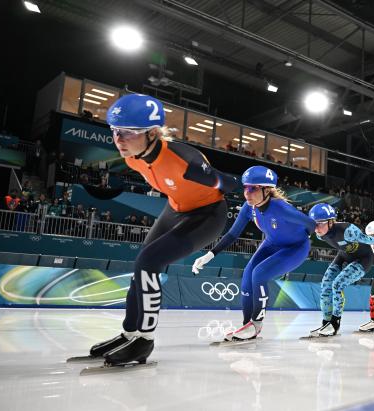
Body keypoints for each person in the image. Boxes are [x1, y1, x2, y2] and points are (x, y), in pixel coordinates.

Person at [88, 94, 238, 367]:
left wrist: (215, 178)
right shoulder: (132, 156)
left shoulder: (185, 161)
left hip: (208, 214)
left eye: (129, 132)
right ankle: (129, 332)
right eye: (115, 131)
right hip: (176, 208)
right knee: (140, 265)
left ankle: (144, 340)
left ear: (153, 133)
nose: (119, 139)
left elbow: (230, 185)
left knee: (149, 262)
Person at [192, 165, 316, 341]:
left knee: (259, 274)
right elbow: (233, 234)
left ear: (267, 190)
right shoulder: (248, 207)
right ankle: (247, 326)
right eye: (245, 188)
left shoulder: (281, 208)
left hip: (295, 248)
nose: (247, 193)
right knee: (247, 276)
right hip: (271, 243)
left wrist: (305, 236)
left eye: (252, 188)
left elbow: (310, 224)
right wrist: (209, 255)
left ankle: (256, 325)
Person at [307, 203, 374, 337]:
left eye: (320, 223)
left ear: (331, 222)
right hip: (343, 255)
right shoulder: (320, 234)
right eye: (314, 223)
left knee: (337, 285)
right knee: (326, 284)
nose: (316, 228)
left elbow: (371, 240)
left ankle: (335, 323)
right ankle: (326, 322)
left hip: (363, 259)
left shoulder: (347, 230)